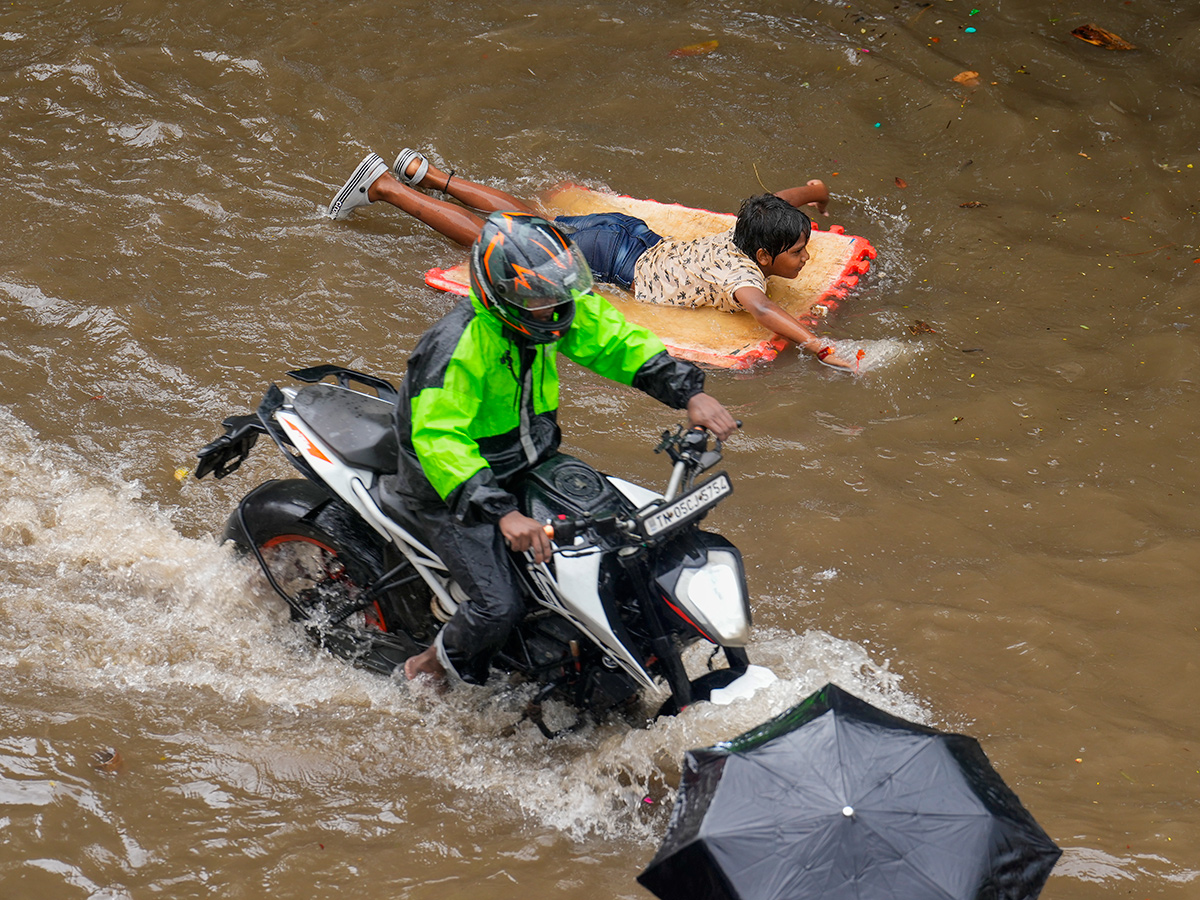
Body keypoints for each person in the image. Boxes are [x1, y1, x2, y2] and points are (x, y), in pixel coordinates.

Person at [374, 210, 738, 690]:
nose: (553, 305)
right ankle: (426, 667)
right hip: (453, 490)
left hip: (532, 461)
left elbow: (615, 341)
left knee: (628, 539)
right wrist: (500, 512)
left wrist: (689, 391)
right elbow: (439, 438)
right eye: (538, 295)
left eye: (556, 290)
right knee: (497, 606)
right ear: (502, 292)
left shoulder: (552, 314)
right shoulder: (458, 344)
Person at [328, 150, 855, 369]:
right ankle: (387, 188)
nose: (806, 259)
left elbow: (777, 203)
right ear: (763, 255)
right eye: (798, 251)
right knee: (505, 239)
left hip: (626, 234)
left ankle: (425, 172)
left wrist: (811, 192)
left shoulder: (747, 231)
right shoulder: (744, 275)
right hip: (616, 259)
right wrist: (816, 345)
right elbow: (761, 311)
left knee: (533, 220)